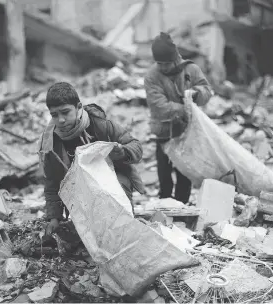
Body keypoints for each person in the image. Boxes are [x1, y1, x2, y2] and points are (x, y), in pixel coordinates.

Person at [39, 82, 144, 235]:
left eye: (65, 112)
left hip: (114, 187)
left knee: (120, 231)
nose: (60, 120)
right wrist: (54, 217)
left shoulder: (101, 126)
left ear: (79, 107)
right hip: (80, 195)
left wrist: (123, 152)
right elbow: (52, 182)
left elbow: (136, 146)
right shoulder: (51, 143)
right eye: (55, 115)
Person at [144, 32, 212, 204]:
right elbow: (159, 107)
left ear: (175, 58)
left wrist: (196, 94)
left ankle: (182, 205)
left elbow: (206, 90)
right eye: (159, 63)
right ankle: (165, 204)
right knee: (164, 172)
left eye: (166, 63)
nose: (163, 67)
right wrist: (186, 108)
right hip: (164, 131)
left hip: (187, 131)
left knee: (185, 172)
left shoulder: (191, 69)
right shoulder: (152, 76)